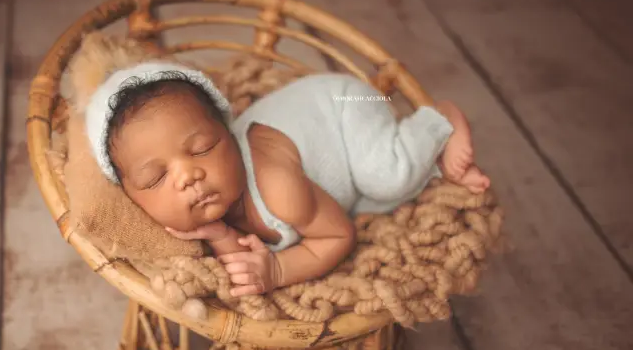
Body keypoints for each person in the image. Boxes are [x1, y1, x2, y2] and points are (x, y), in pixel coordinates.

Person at [85, 62, 490, 298]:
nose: (189, 175)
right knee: (378, 189)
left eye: (202, 148)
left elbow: (338, 236)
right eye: (156, 178)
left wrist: (277, 272)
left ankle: (438, 121)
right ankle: (428, 153)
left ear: (227, 134)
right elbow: (242, 251)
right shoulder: (199, 216)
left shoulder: (277, 187)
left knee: (387, 180)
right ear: (131, 196)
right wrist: (219, 233)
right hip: (313, 110)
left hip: (344, 104)